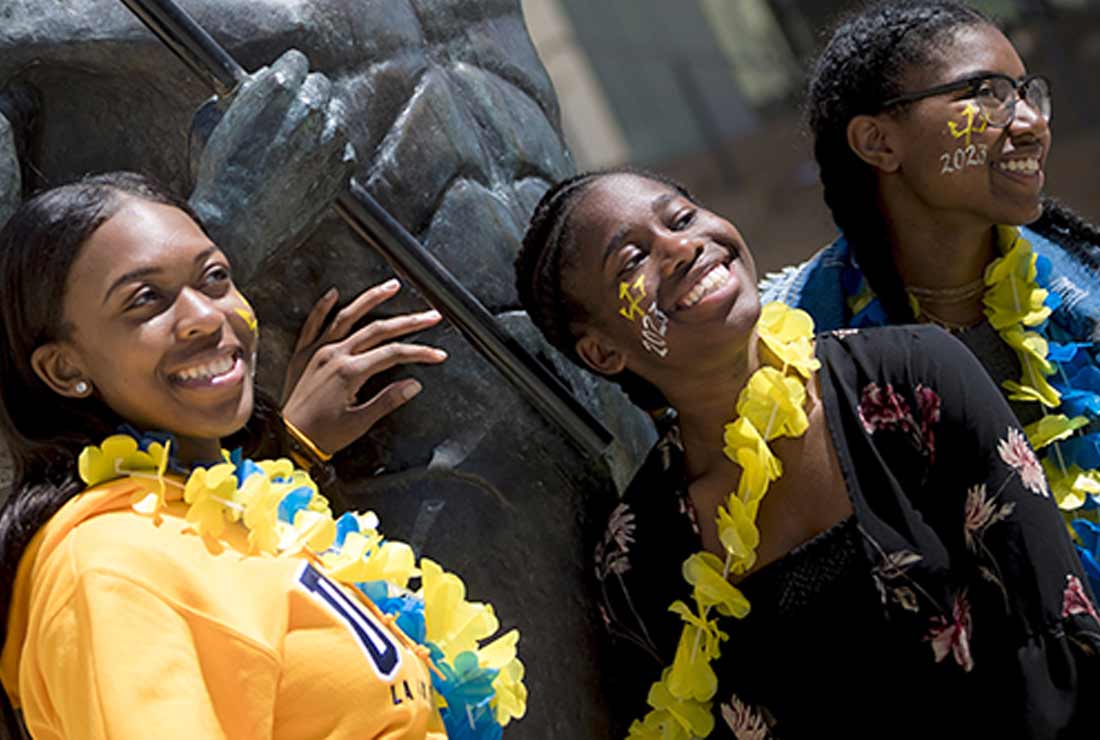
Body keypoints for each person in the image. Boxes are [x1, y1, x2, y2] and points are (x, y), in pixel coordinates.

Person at [515, 167, 1100, 738]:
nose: (681, 248)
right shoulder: (640, 550)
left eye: (683, 217)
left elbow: (1058, 627)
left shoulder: (913, 378)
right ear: (602, 354)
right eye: (632, 259)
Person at [0, 172, 526, 739]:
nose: (205, 316)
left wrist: (293, 448)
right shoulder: (107, 567)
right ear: (64, 368)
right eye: (145, 300)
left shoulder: (239, 511)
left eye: (215, 277)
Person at [759, 0, 1100, 588]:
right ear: (877, 142)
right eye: (987, 93)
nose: (1030, 122)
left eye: (1026, 93)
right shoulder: (792, 353)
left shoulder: (1085, 291)